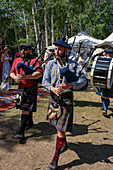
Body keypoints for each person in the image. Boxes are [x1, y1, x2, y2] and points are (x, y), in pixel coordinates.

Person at [42, 38, 87, 169]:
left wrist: (70, 85)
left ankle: (54, 161)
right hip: (53, 99)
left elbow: (84, 80)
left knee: (61, 130)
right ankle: (64, 144)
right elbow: (45, 81)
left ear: (66, 50)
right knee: (57, 127)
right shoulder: (50, 64)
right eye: (55, 49)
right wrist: (52, 88)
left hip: (66, 99)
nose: (56, 51)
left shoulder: (74, 64)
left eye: (59, 49)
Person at [10, 43, 43, 139]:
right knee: (26, 107)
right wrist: (15, 77)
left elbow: (39, 73)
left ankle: (21, 132)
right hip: (21, 87)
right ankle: (30, 122)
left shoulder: (34, 60)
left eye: (25, 49)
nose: (23, 51)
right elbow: (11, 72)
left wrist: (26, 77)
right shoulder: (17, 60)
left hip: (31, 87)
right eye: (21, 49)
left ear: (30, 51)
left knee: (25, 108)